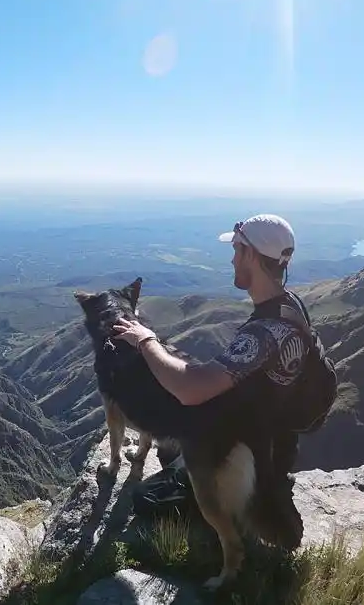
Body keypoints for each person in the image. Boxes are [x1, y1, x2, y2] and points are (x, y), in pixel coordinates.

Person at [111, 213, 309, 544]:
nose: (232, 258)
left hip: (246, 451)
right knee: (170, 451)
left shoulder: (264, 333)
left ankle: (221, 522)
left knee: (145, 498)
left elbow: (191, 390)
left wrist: (146, 340)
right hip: (273, 441)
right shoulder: (291, 307)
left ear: (249, 255)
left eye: (235, 249)